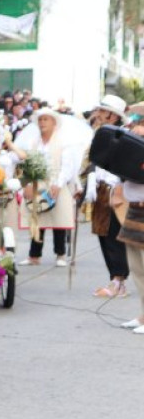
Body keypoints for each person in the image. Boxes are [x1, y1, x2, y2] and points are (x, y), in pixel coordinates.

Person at [7, 108, 83, 267]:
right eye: (40, 120)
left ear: (54, 123)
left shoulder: (64, 142)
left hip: (56, 182)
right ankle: (34, 255)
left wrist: (59, 183)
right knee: (36, 219)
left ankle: (60, 254)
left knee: (58, 218)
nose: (42, 123)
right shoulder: (33, 142)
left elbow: (67, 166)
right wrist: (26, 183)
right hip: (36, 182)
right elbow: (26, 164)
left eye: (46, 120)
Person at [86, 95, 130, 297]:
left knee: (115, 236)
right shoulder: (101, 134)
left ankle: (119, 282)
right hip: (101, 190)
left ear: (113, 116)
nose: (99, 115)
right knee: (104, 234)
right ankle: (114, 278)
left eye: (103, 112)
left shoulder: (124, 137)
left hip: (117, 191)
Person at [115, 120, 144, 333]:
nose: (136, 139)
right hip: (134, 210)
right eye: (134, 135)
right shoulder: (129, 157)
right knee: (136, 268)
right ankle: (143, 315)